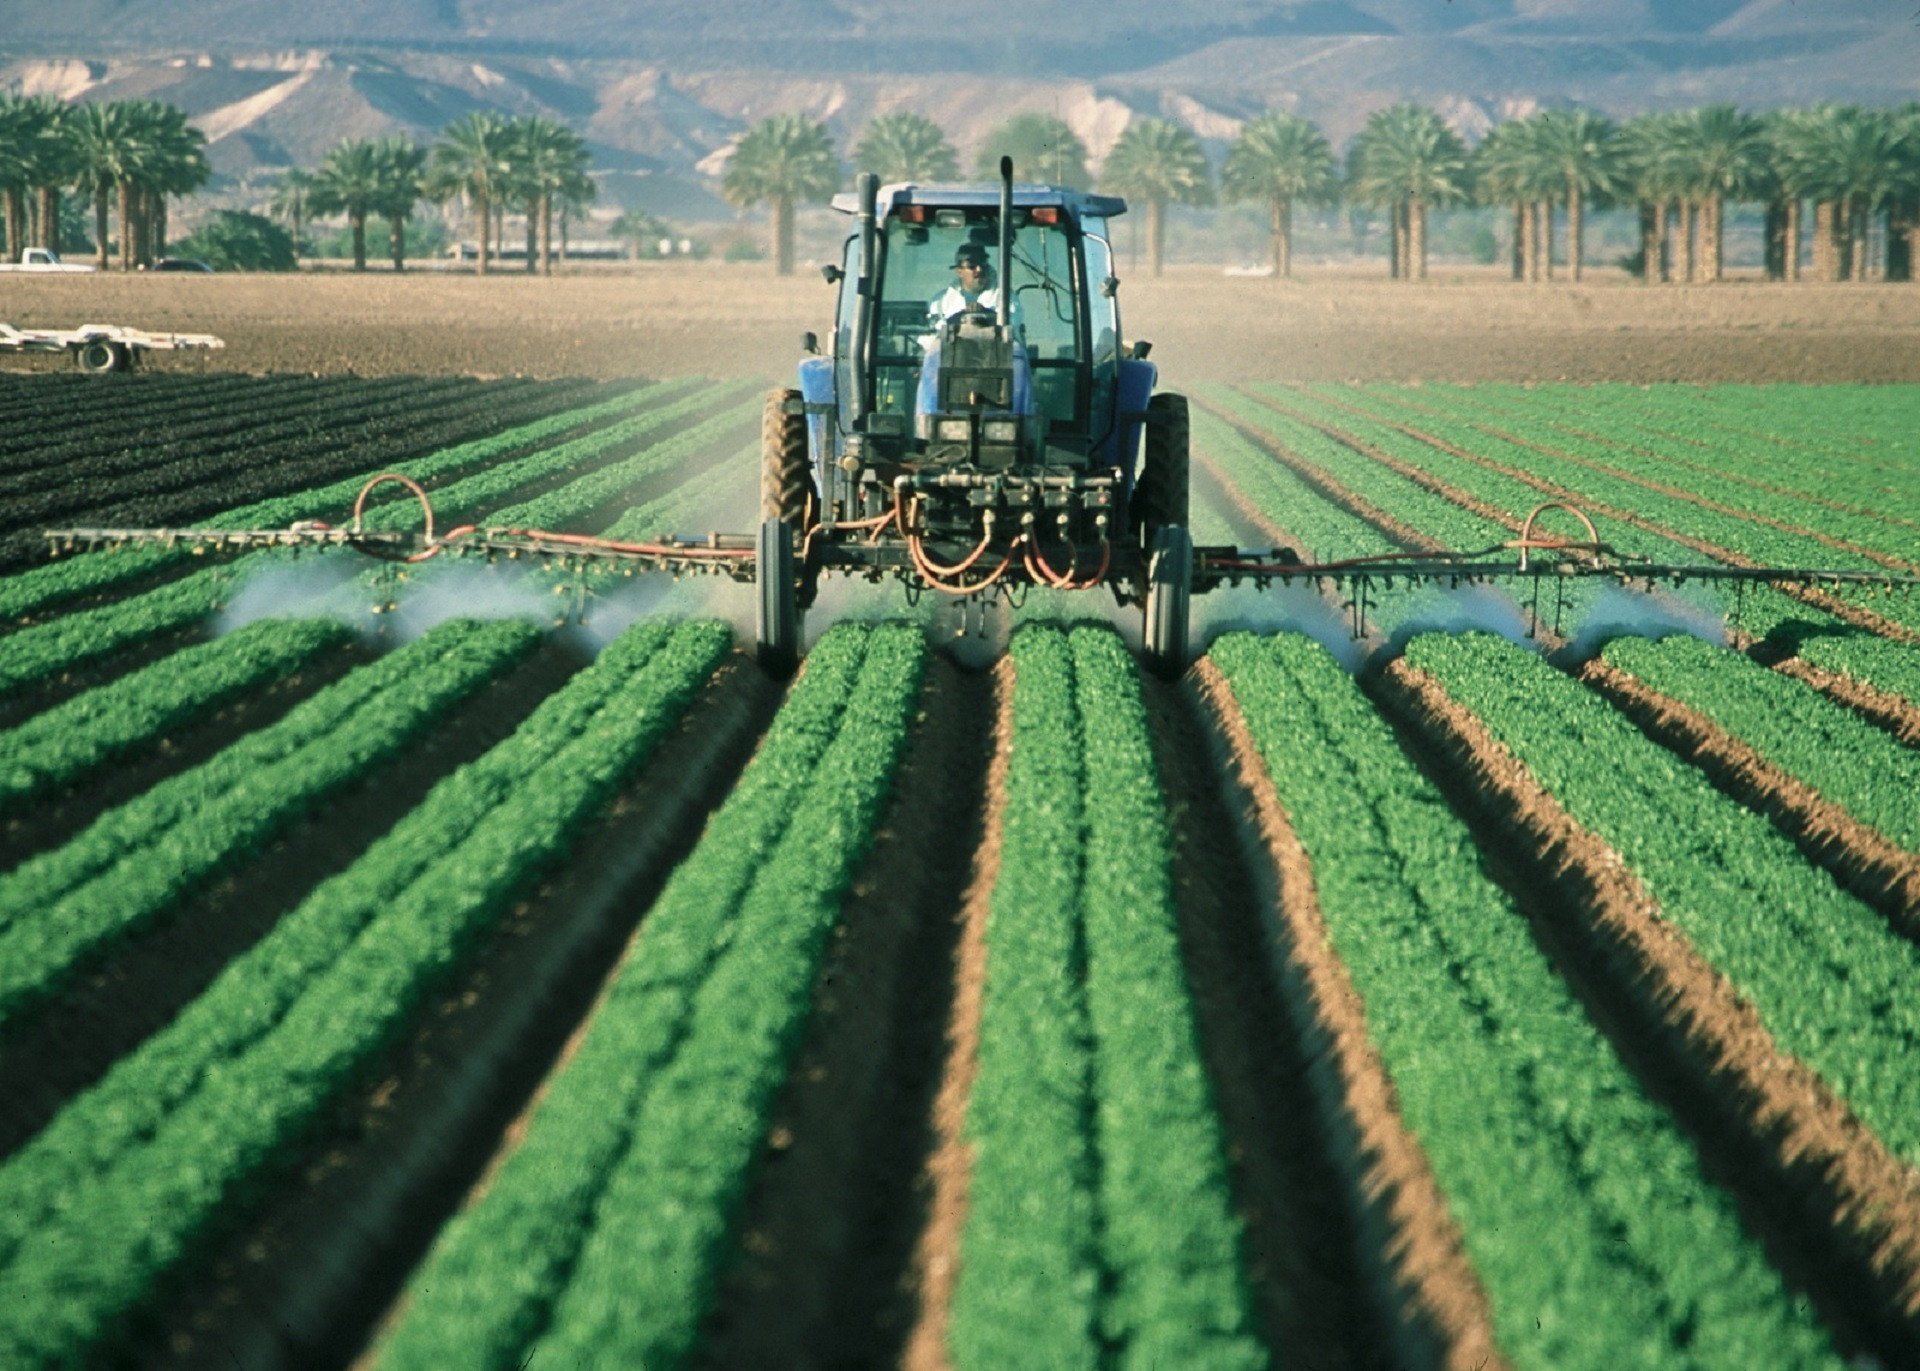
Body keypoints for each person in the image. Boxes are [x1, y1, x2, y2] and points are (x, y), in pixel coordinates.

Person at [927, 242, 1020, 334]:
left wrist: (986, 314)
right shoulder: (940, 302)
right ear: (959, 272)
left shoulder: (1005, 297)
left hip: (999, 348)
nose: (979, 269)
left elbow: (1014, 322)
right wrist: (961, 318)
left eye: (983, 264)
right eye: (972, 265)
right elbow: (934, 335)